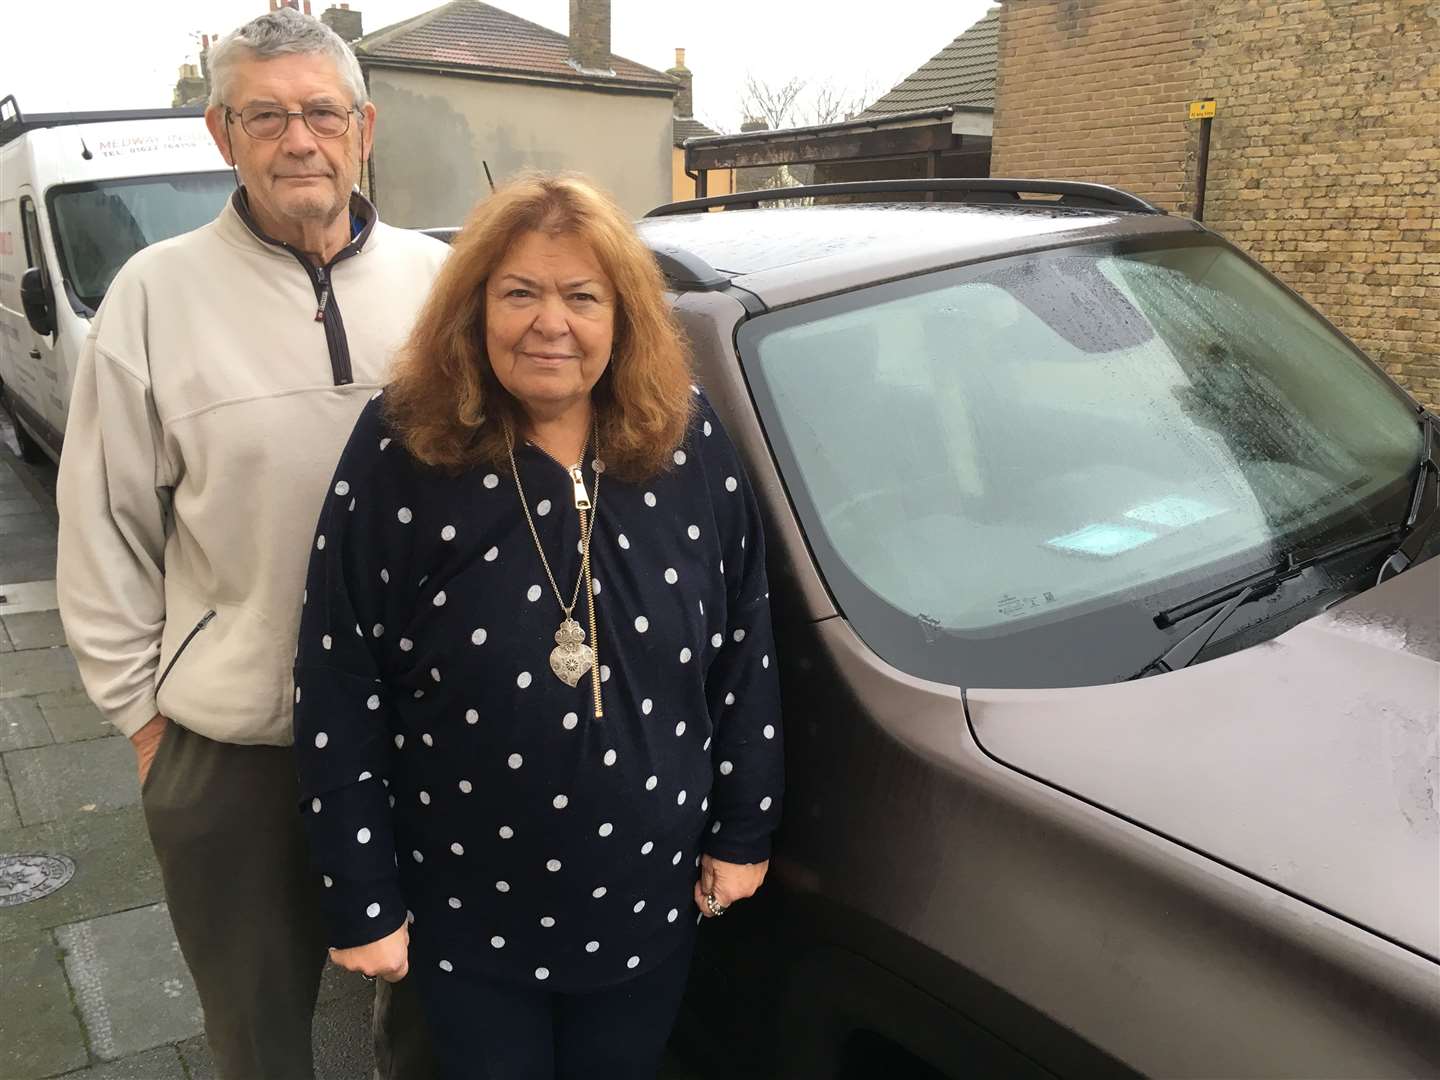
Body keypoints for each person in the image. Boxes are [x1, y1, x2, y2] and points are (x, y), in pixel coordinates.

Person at [292, 173, 785, 1078]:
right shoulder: (402, 447)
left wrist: (743, 830)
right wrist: (360, 897)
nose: (549, 322)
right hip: (467, 911)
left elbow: (746, 641)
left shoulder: (686, 437)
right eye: (520, 291)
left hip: (648, 898)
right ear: (475, 309)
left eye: (581, 296)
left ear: (623, 317)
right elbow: (336, 676)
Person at [54, 8, 447, 1078]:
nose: (299, 140)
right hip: (234, 756)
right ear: (223, 136)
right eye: (265, 116)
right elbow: (101, 533)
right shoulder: (152, 297)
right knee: (260, 1041)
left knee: (441, 1026)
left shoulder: (439, 288)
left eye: (322, 112)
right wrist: (146, 728)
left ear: (364, 126)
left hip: (428, 738)